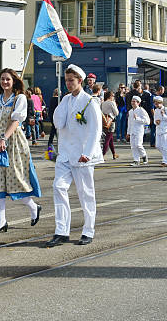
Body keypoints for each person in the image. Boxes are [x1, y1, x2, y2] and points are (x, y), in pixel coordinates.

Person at [46, 65, 102, 247]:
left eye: (71, 80)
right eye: (66, 80)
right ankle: (62, 231)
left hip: (82, 155)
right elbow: (58, 123)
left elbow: (96, 130)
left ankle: (88, 230)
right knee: (58, 187)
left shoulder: (89, 102)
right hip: (64, 154)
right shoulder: (65, 101)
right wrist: (59, 104)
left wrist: (88, 152)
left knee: (85, 194)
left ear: (80, 81)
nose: (68, 84)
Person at [0, 69, 40, 234]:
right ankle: (1, 222)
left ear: (14, 81)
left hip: (14, 142)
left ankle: (33, 207)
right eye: (2, 79)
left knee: (16, 180)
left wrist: (4, 138)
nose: (4, 82)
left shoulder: (20, 98)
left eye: (8, 79)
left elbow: (16, 121)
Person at [127, 95, 150, 166]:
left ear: (138, 103)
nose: (133, 103)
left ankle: (144, 155)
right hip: (132, 131)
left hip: (139, 130)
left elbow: (147, 121)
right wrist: (128, 132)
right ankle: (136, 160)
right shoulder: (130, 111)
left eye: (134, 101)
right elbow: (129, 123)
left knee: (138, 144)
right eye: (132, 101)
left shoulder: (141, 110)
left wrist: (138, 119)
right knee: (133, 146)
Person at [153, 96, 167, 167]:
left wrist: (164, 115)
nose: (156, 105)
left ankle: (165, 161)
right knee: (158, 146)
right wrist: (156, 122)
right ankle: (166, 155)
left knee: (165, 147)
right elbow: (155, 120)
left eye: (157, 103)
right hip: (158, 130)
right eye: (155, 103)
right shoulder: (156, 110)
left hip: (166, 130)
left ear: (161, 103)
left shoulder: (166, 109)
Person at [100, 90, 119, 160]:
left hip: (104, 121)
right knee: (107, 140)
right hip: (111, 121)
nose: (114, 97)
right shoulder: (112, 103)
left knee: (110, 139)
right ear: (110, 96)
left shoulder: (103, 103)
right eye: (113, 96)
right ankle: (102, 155)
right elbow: (116, 113)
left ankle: (114, 153)